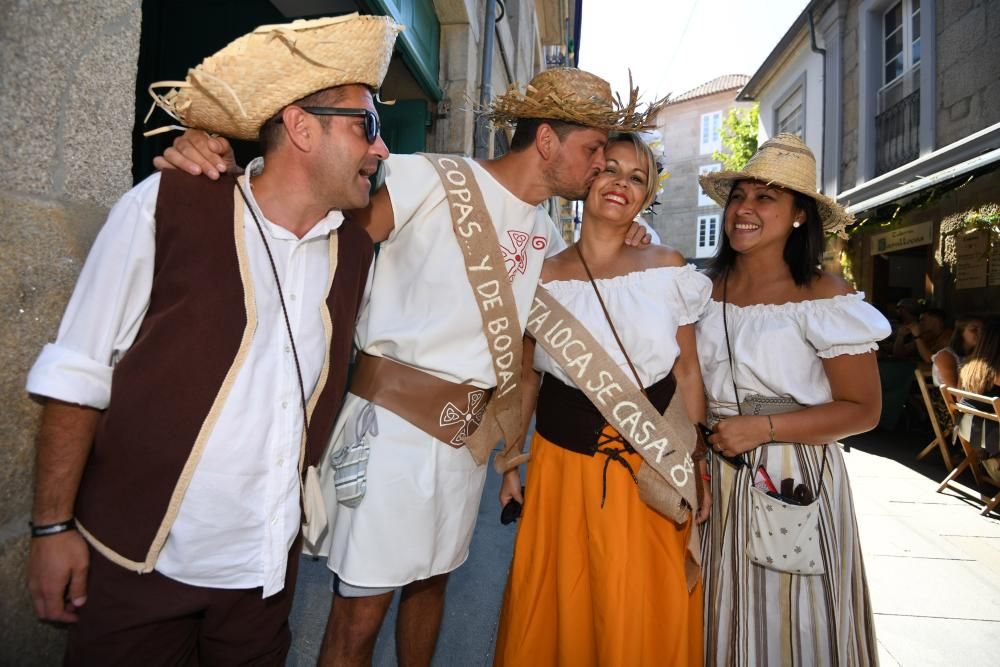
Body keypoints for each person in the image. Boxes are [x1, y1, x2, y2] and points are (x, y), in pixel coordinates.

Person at [157, 68, 658, 666]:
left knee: (433, 585)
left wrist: (635, 238)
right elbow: (322, 239)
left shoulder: (550, 240)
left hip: (464, 444)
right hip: (390, 433)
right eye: (594, 148)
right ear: (547, 141)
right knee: (359, 616)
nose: (602, 164)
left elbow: (530, 355)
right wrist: (243, 172)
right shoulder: (429, 178)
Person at [24, 15, 399, 664]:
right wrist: (52, 526)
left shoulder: (356, 254)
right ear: (302, 126)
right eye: (366, 125)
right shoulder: (167, 205)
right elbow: (77, 373)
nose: (382, 148)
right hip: (139, 571)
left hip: (260, 585)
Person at [493, 134, 712, 666]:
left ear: (646, 197)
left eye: (637, 177)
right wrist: (510, 464)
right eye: (610, 169)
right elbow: (527, 380)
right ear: (587, 181)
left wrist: (698, 463)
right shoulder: (540, 277)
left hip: (651, 470)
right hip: (561, 471)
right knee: (558, 605)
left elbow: (687, 370)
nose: (621, 183)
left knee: (639, 611)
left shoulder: (667, 267)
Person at [697, 133, 890, 666]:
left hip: (793, 474)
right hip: (712, 466)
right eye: (739, 196)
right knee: (720, 610)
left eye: (765, 198)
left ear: (800, 216)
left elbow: (863, 410)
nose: (744, 209)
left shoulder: (825, 296)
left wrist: (763, 430)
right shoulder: (698, 290)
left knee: (793, 617)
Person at [957, 317, 1000, 462]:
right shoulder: (996, 373)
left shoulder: (969, 366)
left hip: (966, 428)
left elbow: (958, 399)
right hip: (989, 434)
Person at [932, 316, 982, 388]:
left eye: (983, 330)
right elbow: (954, 390)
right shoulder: (945, 355)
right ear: (961, 332)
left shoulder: (978, 354)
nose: (980, 333)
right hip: (948, 398)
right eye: (974, 330)